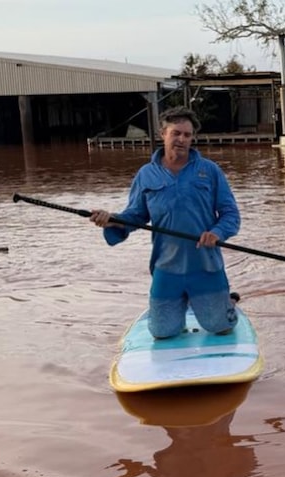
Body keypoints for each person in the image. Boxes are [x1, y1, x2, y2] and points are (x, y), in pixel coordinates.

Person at [89, 106, 240, 339]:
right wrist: (112, 220)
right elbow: (136, 216)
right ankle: (183, 307)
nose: (181, 139)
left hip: (206, 265)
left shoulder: (210, 171)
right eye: (176, 133)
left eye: (187, 135)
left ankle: (227, 301)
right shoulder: (146, 174)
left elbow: (231, 214)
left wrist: (217, 232)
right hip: (166, 267)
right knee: (162, 333)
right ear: (163, 134)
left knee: (221, 327)